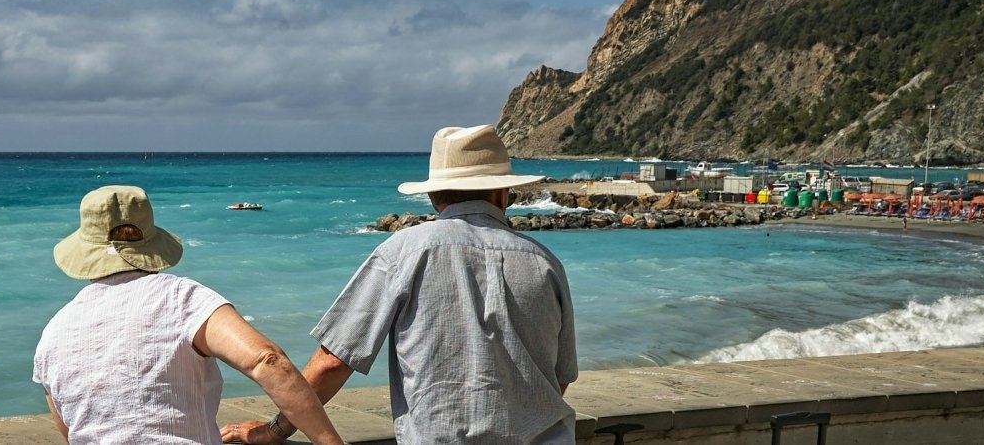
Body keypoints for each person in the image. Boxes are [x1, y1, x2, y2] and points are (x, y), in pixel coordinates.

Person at [223, 125, 579, 444]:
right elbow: (558, 379)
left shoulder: (402, 252)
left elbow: (334, 362)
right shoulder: (545, 261)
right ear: (502, 193)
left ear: (433, 196)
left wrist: (275, 431)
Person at [34, 185, 344, 445]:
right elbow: (268, 361)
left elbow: (72, 430)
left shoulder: (53, 332)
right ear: (152, 244)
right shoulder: (181, 299)